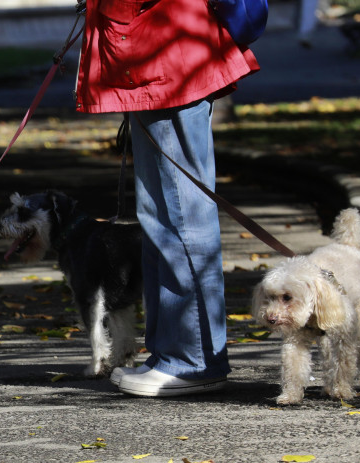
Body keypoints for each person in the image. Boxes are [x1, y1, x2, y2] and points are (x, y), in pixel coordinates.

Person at [75, 0, 259, 396]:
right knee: (159, 218)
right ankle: (169, 353)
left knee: (181, 216)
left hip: (166, 57)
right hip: (153, 53)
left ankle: (192, 359)